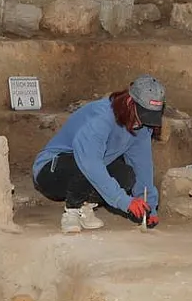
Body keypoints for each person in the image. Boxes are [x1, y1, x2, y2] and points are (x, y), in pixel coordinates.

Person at [32, 74, 166, 234]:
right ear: (131, 102)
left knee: (126, 175)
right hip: (50, 171)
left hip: (85, 169)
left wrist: (149, 207)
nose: (146, 120)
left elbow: (142, 167)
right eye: (144, 113)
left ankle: (85, 205)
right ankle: (72, 210)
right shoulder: (102, 117)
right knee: (87, 165)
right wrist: (125, 202)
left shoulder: (141, 127)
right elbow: (90, 163)